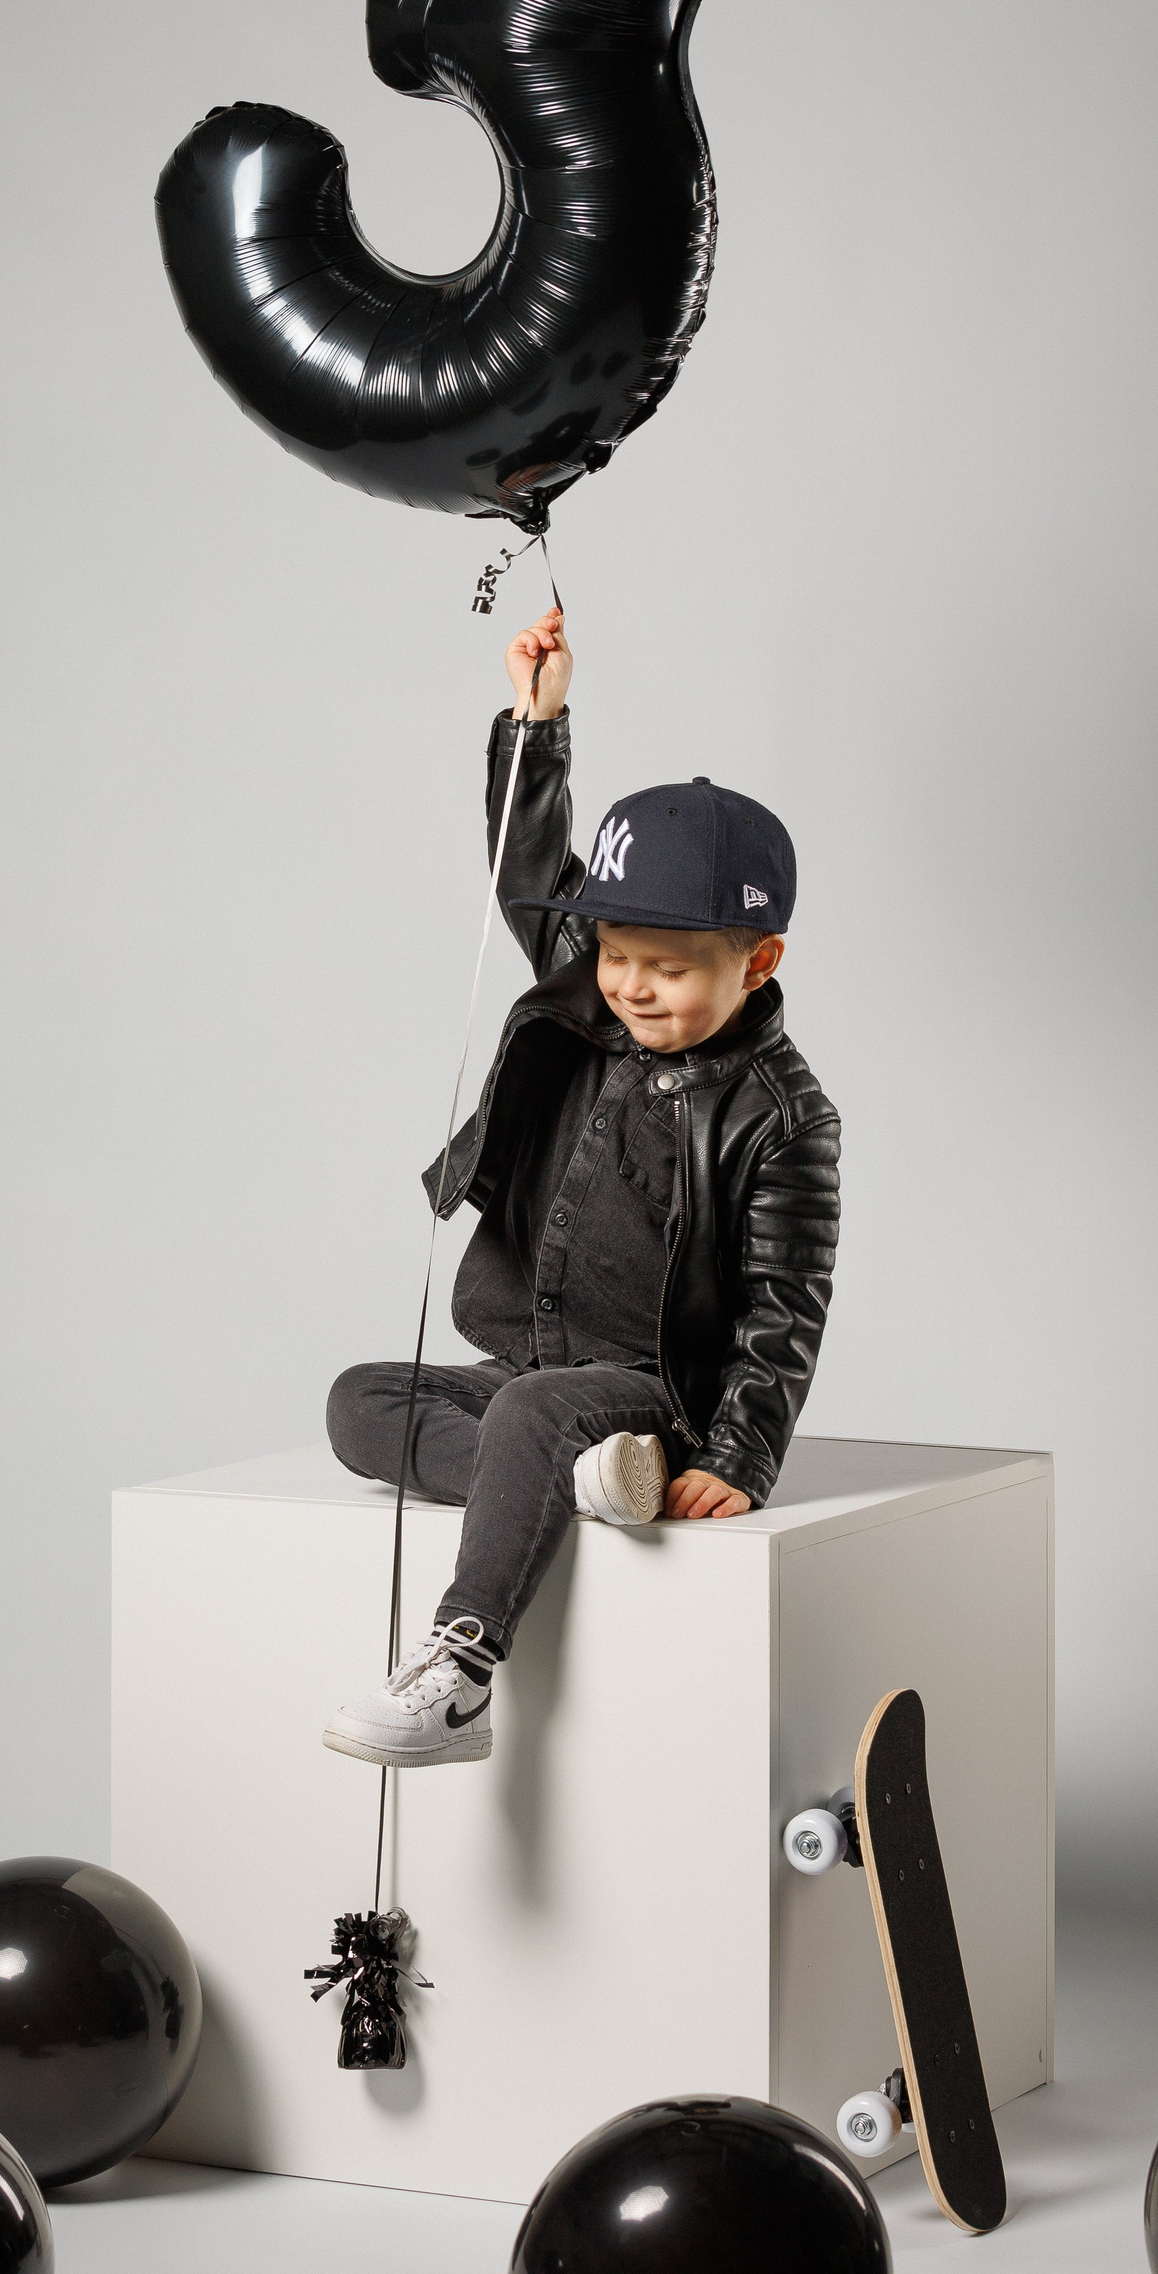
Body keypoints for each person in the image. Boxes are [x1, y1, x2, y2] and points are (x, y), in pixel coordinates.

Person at [322, 608, 841, 1767]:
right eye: (613, 956)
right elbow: (530, 871)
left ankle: (460, 1673)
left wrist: (738, 1456)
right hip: (529, 1367)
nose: (632, 988)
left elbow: (784, 1308)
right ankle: (580, 1483)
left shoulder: (783, 1114)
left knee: (527, 1417)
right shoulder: (589, 996)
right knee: (360, 1401)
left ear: (758, 962)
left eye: (671, 969)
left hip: (652, 1388)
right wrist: (536, 725)